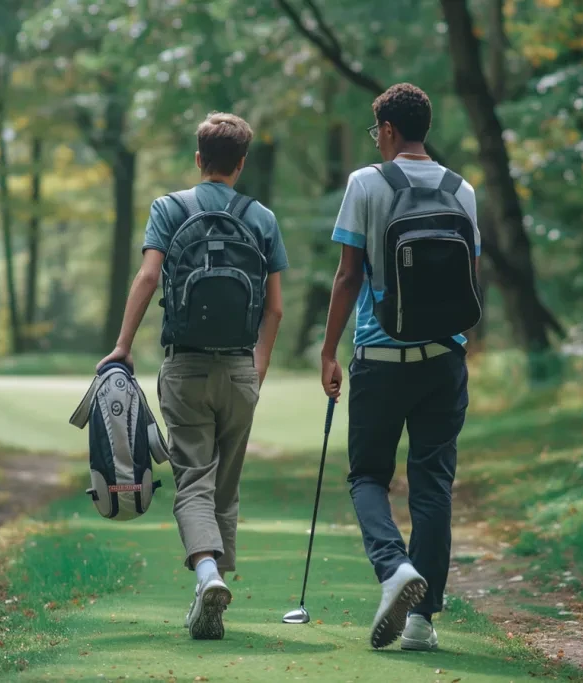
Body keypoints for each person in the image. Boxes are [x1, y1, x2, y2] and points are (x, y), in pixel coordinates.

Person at [97, 112, 288, 641]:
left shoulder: (169, 208)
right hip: (239, 368)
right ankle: (213, 600)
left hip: (184, 367)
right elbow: (273, 309)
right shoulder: (262, 218)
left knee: (192, 481)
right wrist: (259, 366)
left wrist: (121, 346)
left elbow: (149, 275)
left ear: (199, 158)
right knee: (224, 490)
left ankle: (207, 575)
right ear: (241, 163)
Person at [319, 83, 479, 651]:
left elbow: (348, 276)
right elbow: (466, 284)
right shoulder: (464, 190)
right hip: (444, 359)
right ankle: (422, 623)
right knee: (432, 484)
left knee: (368, 476)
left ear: (387, 129)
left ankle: (394, 570)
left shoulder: (367, 183)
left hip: (380, 357)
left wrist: (328, 348)